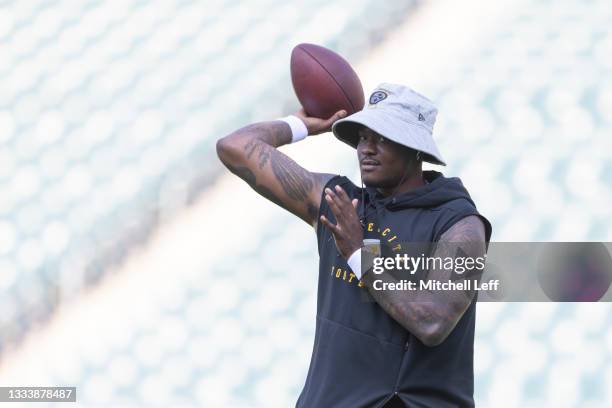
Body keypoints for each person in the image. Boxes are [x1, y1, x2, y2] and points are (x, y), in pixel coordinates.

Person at [216, 83, 492, 408]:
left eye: (382, 138)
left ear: (416, 148)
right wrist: (302, 124)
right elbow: (235, 146)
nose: (366, 149)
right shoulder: (339, 201)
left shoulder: (461, 225)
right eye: (362, 136)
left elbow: (431, 322)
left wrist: (360, 255)